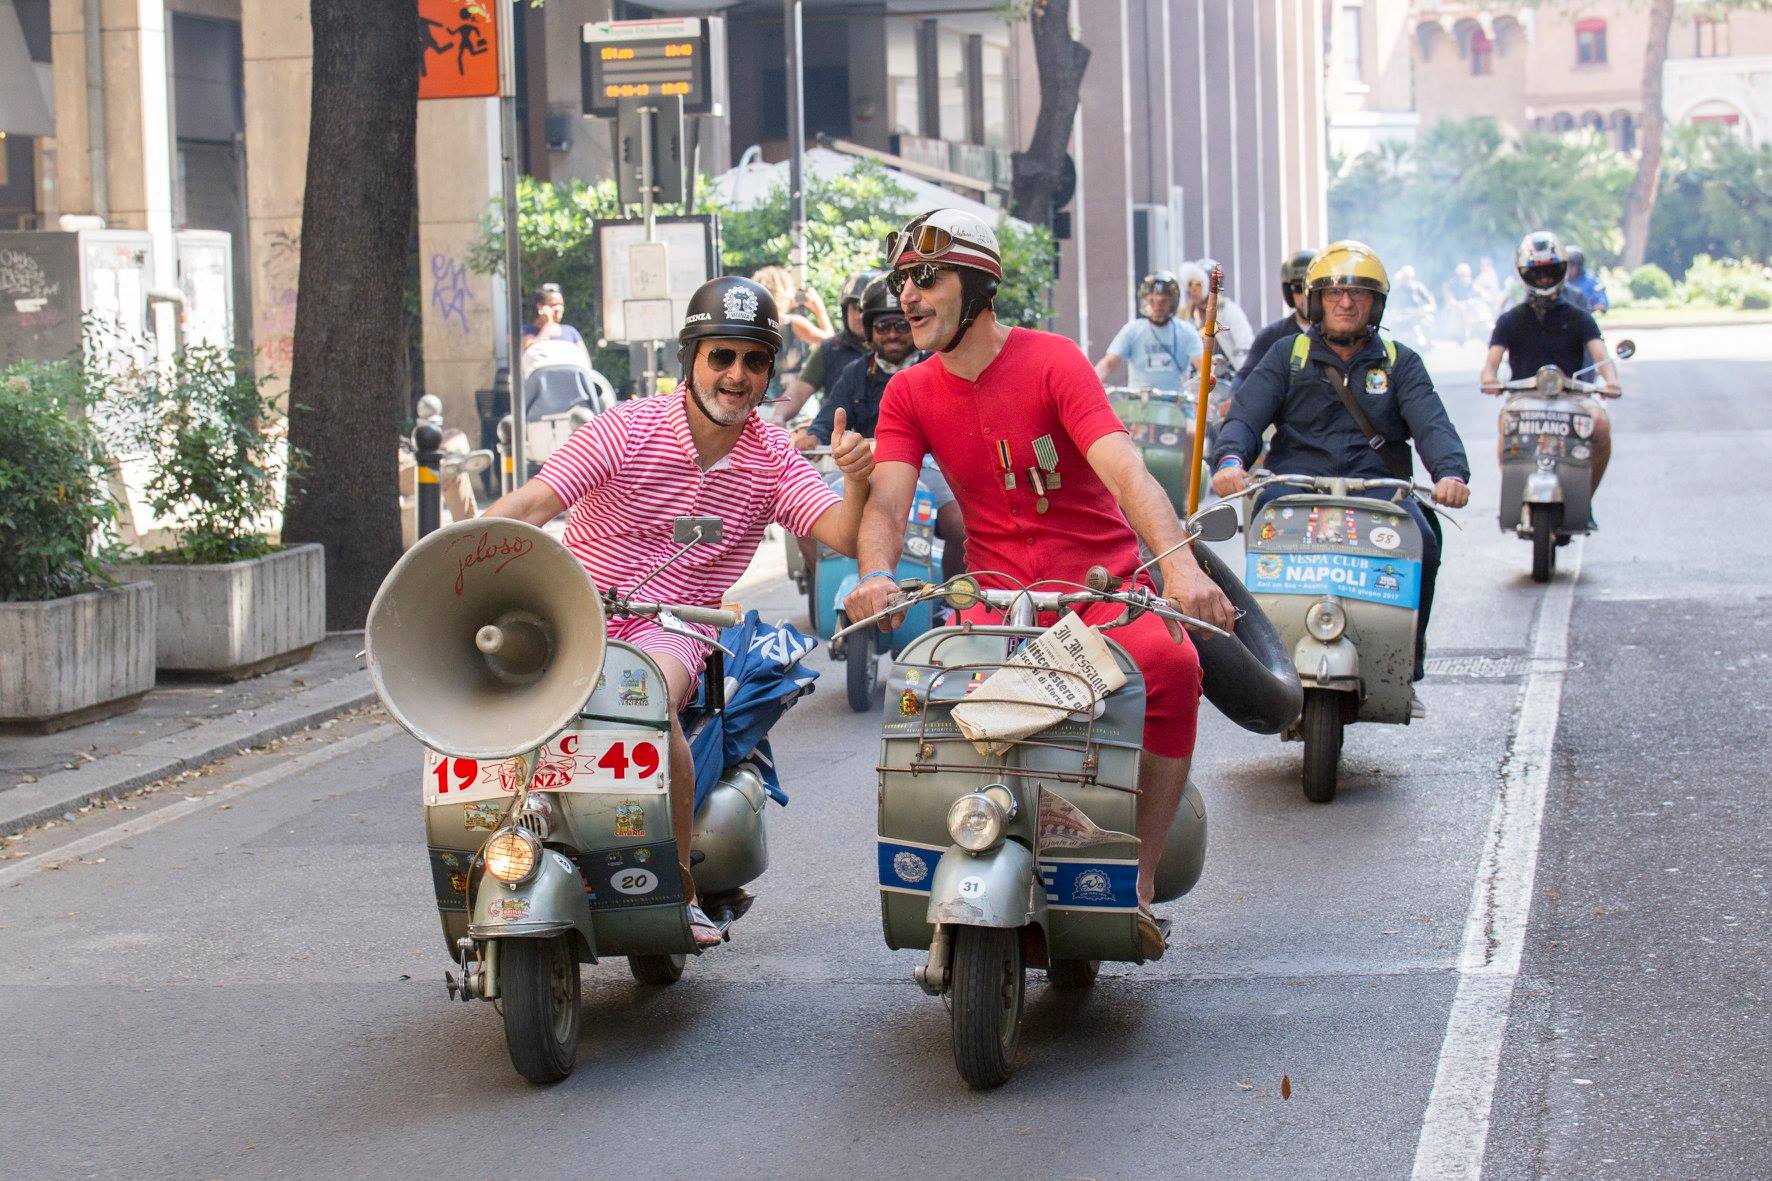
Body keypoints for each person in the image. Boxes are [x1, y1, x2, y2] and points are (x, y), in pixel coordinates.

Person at [842, 209, 1237, 959]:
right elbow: (889, 504)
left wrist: (1180, 568)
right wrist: (875, 574)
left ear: (977, 286)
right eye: (902, 281)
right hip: (993, 602)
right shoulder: (908, 393)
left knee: (1173, 662)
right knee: (925, 693)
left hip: (1098, 594)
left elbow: (1126, 472)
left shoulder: (1054, 360)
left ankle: (1139, 882)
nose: (908, 296)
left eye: (927, 278)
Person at [482, 276, 875, 946]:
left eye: (754, 360)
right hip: (573, 615)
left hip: (674, 626)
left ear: (769, 373)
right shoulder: (625, 428)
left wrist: (857, 477)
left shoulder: (774, 458)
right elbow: (532, 506)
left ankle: (680, 887)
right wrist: (453, 568)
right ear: (690, 359)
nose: (736, 375)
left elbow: (840, 532)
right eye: (721, 356)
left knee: (642, 697)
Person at [1211, 240, 1471, 693]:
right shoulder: (1288, 355)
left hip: (1379, 490)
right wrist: (1230, 459)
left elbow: (1433, 425)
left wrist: (1450, 473)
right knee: (1260, 538)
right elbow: (1245, 417)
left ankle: (1408, 655)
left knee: (1425, 540)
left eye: (1358, 293)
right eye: (1334, 292)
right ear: (1316, 300)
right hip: (1293, 489)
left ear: (1376, 303)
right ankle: (1266, 656)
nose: (1346, 303)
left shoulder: (1400, 362)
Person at [795, 276, 967, 582]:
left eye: (901, 325)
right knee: (806, 523)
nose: (892, 335)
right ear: (869, 331)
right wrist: (811, 437)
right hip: (863, 469)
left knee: (961, 526)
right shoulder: (854, 372)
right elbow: (826, 421)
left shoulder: (940, 366)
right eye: (883, 327)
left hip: (926, 468)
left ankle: (951, 597)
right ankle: (827, 591)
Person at [1480, 230, 1619, 492]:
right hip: (1523, 397)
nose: (1544, 278)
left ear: (1562, 270)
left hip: (1573, 396)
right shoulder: (1509, 320)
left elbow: (1602, 357)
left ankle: (1585, 498)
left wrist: (1611, 381)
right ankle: (1514, 493)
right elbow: (1490, 365)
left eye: (1550, 271)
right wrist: (1489, 380)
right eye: (1537, 272)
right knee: (1506, 425)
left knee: (1600, 425)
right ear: (1524, 274)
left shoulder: (1580, 317)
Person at [774, 270, 879, 424]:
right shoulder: (831, 348)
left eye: (866, 308)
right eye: (855, 307)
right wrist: (778, 418)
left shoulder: (902, 346)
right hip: (836, 433)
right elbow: (800, 390)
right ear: (845, 309)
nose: (859, 316)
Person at [1094, 271, 1204, 392]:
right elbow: (1108, 364)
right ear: (1144, 301)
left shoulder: (1186, 331)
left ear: (1172, 302)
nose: (1157, 306)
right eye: (1152, 301)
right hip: (1139, 400)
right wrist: (1090, 385)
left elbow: (1202, 367)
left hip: (1176, 401)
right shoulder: (1132, 330)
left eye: (1163, 301)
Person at [750, 265, 833, 405]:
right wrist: (819, 310)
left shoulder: (753, 325)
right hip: (795, 404)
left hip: (762, 403)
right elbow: (832, 343)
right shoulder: (792, 324)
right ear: (783, 291)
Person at [1233, 250, 1315, 389]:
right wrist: (1233, 398)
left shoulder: (1338, 336)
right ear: (1288, 292)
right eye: (1298, 288)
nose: (1306, 296)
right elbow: (1245, 378)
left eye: (1312, 288)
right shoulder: (1271, 337)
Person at [1178, 259, 1256, 369]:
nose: (1193, 290)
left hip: (1226, 374)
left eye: (1198, 284)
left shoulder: (1228, 311)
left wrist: (1242, 374)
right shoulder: (1184, 315)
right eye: (1190, 284)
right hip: (1194, 375)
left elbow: (1245, 345)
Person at [521, 283, 586, 352]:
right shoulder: (526, 331)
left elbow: (584, 357)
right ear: (540, 306)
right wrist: (549, 324)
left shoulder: (570, 332)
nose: (558, 309)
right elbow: (532, 352)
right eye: (553, 305)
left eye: (561, 305)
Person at [1563, 244, 1610, 314]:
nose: (1569, 268)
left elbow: (1601, 298)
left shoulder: (1590, 281)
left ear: (1579, 265)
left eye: (1572, 265)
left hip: (1584, 317)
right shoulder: (1560, 282)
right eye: (1566, 265)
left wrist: (1600, 305)